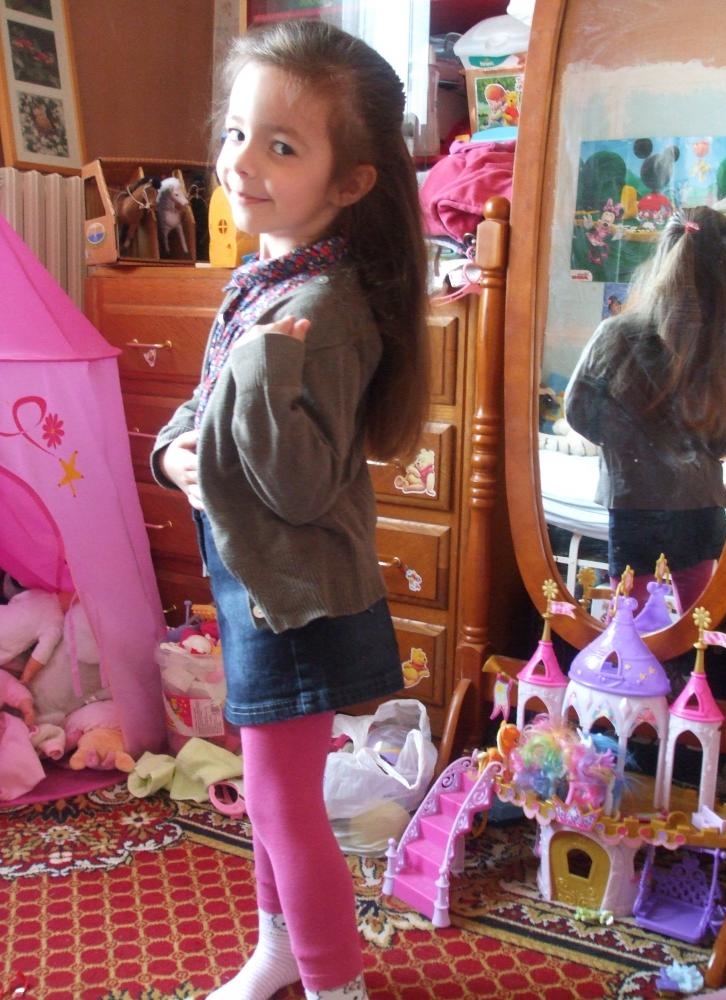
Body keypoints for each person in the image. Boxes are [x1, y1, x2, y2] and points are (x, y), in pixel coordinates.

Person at [150, 18, 430, 1000]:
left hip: (300, 600)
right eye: (237, 133)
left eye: (280, 146)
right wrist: (174, 453)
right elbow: (205, 405)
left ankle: (331, 983)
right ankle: (279, 954)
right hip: (259, 583)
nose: (241, 162)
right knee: (276, 794)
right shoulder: (267, 280)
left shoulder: (323, 311)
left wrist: (264, 374)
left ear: (349, 182)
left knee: (280, 802)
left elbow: (299, 485)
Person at [565, 206, 726, 613]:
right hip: (698, 504)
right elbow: (723, 440)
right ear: (724, 279)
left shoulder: (615, 334)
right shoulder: (719, 362)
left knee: (629, 622)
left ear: (664, 254)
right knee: (696, 621)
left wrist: (631, 443)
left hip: (634, 500)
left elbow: (579, 412)